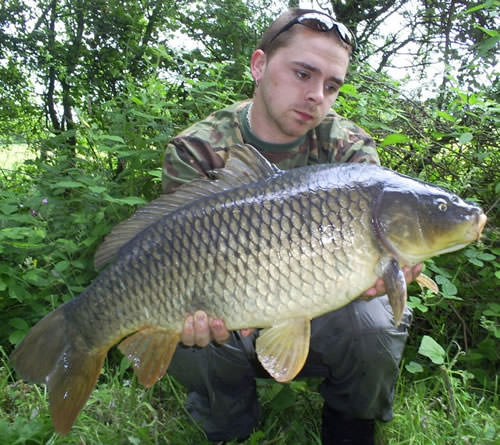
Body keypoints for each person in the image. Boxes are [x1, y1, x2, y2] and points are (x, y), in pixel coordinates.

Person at [161, 8, 421, 445]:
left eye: (331, 85)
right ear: (259, 66)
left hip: (316, 306)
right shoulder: (199, 148)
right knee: (189, 336)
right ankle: (229, 427)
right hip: (228, 306)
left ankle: (351, 427)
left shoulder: (347, 146)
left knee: (375, 321)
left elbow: (380, 243)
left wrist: (387, 267)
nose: (317, 95)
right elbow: (171, 252)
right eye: (303, 74)